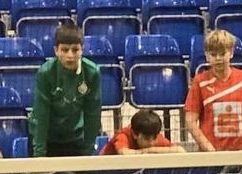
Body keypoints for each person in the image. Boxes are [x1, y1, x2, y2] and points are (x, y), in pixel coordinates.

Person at [29, 21, 101, 157]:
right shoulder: (45, 73)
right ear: (56, 50)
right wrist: (39, 155)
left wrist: (88, 151)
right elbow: (41, 115)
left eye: (75, 50)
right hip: (46, 138)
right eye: (64, 50)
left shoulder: (92, 72)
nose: (70, 55)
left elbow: (93, 113)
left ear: (82, 49)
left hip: (75, 138)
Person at [185, 29, 242, 152]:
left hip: (240, 154)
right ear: (207, 56)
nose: (218, 58)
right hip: (211, 155)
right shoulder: (199, 82)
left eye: (222, 54)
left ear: (231, 53)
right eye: (213, 54)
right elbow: (190, 120)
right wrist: (209, 148)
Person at [99, 109, 184, 155]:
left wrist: (153, 150)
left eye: (154, 138)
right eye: (147, 139)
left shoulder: (153, 134)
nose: (152, 143)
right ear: (134, 134)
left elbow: (180, 150)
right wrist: (149, 151)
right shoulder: (123, 135)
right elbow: (124, 152)